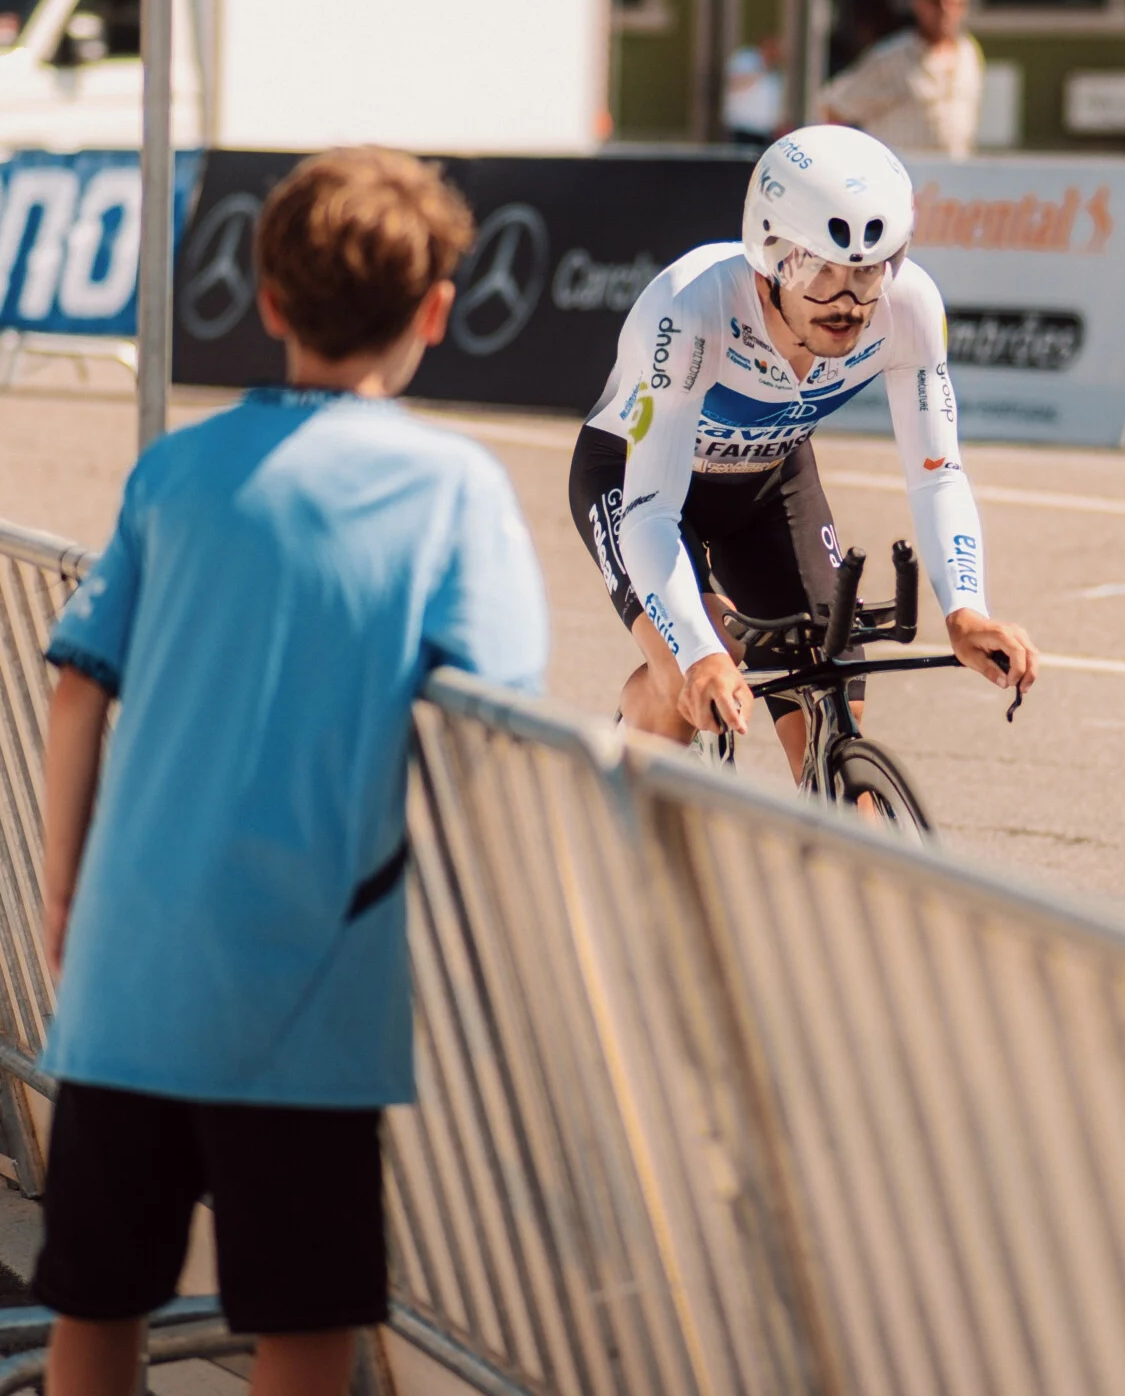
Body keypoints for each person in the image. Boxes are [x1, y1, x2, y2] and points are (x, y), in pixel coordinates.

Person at [34, 148, 547, 1396]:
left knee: (97, 1301)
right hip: (311, 991)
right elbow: (501, 706)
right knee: (304, 1322)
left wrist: (64, 901)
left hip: (129, 972)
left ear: (265, 302)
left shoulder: (176, 473)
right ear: (436, 310)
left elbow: (74, 686)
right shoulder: (453, 491)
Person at [567, 124, 1037, 774]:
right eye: (820, 269)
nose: (847, 302)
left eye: (869, 271)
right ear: (772, 255)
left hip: (768, 480)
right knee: (691, 669)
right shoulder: (690, 310)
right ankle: (622, 795)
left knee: (833, 683)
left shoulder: (908, 307)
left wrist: (966, 611)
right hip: (634, 480)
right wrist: (699, 651)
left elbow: (937, 474)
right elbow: (650, 515)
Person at [817, 0, 983, 160]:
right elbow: (834, 108)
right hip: (899, 177)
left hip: (953, 179)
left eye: (956, 2)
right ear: (919, 4)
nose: (946, 10)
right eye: (937, 1)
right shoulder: (890, 58)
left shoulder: (969, 52)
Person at [722, 33, 785, 147]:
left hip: (765, 130)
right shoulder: (745, 59)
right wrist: (761, 70)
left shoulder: (775, 72)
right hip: (743, 126)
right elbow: (736, 85)